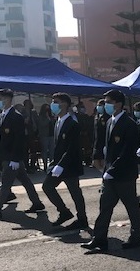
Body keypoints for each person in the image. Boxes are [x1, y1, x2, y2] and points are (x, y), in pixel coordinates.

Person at [81, 89, 140, 252]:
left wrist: (113, 169)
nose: (106, 105)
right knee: (105, 206)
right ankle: (99, 238)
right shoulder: (110, 121)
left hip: (124, 174)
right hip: (110, 173)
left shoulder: (129, 124)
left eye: (109, 102)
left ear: (118, 103)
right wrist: (105, 166)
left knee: (131, 206)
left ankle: (136, 236)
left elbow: (127, 151)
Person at [0, 89, 45, 219]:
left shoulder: (16, 116)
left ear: (8, 99)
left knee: (4, 183)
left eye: (0, 99)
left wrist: (16, 159)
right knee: (25, 181)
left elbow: (19, 140)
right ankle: (37, 203)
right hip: (6, 155)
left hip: (11, 157)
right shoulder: (1, 115)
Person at [42, 93, 88, 230]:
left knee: (75, 193)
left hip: (70, 165)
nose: (53, 105)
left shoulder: (72, 124)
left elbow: (72, 148)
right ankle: (64, 212)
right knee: (47, 187)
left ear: (65, 104)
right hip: (58, 165)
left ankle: (82, 219)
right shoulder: (57, 121)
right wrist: (54, 164)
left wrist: (61, 165)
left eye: (56, 102)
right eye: (52, 102)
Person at [91, 99, 110, 173]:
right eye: (98, 105)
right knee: (95, 161)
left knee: (103, 160)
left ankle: (106, 173)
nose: (99, 107)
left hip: (104, 141)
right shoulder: (96, 116)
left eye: (100, 105)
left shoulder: (107, 116)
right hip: (97, 141)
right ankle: (103, 172)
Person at [37, 103, 55, 172]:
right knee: (44, 151)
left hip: (51, 135)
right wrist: (48, 119)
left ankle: (52, 165)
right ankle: (45, 165)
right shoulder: (41, 116)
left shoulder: (51, 116)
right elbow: (42, 124)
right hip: (44, 135)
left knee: (52, 151)